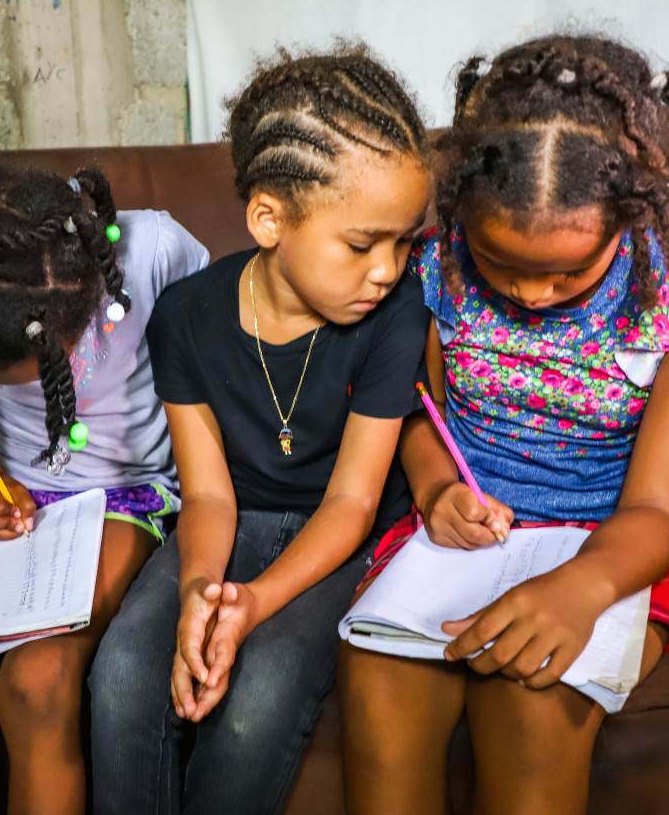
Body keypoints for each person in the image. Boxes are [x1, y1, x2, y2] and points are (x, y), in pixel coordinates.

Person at [339, 35, 669, 815]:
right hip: (461, 543)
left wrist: (581, 586)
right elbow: (417, 410)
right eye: (502, 263)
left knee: (532, 701)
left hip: (611, 545)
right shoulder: (438, 267)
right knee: (378, 684)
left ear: (629, 216)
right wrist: (435, 487)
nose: (532, 294)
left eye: (570, 271)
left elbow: (659, 510)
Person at [89, 43, 433, 815]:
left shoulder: (396, 313)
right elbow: (208, 494)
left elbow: (352, 503)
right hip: (229, 519)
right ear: (269, 218)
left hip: (343, 536)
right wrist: (200, 595)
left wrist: (254, 604)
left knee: (260, 694)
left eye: (405, 240)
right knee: (122, 673)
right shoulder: (185, 316)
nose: (388, 268)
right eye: (362, 243)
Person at [0, 152, 209, 815]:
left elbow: (218, 345)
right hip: (8, 489)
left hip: (125, 495)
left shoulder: (150, 250)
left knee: (39, 681)